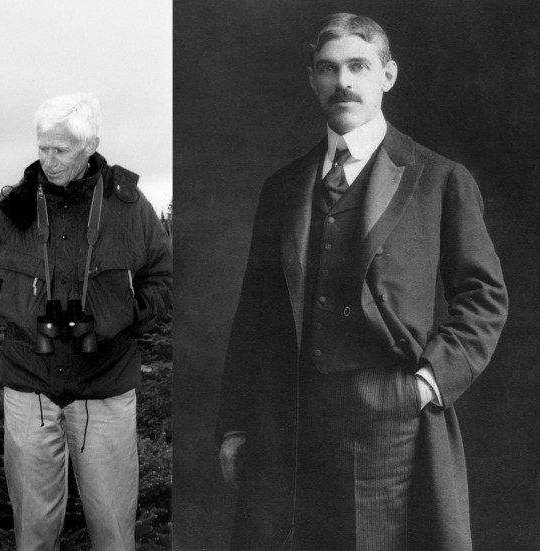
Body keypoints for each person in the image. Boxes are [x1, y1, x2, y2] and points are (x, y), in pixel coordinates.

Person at [216, 13, 508, 551]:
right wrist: (236, 424)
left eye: (358, 66)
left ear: (387, 75)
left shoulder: (439, 179)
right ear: (312, 79)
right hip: (285, 425)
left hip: (387, 425)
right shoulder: (282, 188)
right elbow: (254, 315)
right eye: (328, 69)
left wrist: (423, 387)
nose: (343, 82)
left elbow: (484, 296)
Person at [0, 93, 172, 550]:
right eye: (42, 146)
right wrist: (8, 313)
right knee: (33, 530)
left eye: (61, 149)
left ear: (90, 144)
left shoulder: (130, 207)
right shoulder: (11, 207)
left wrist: (125, 318)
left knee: (113, 529)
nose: (48, 159)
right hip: (28, 385)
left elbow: (164, 277)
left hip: (106, 383)